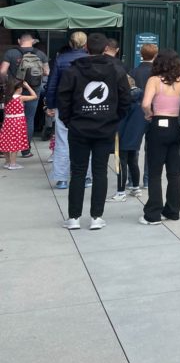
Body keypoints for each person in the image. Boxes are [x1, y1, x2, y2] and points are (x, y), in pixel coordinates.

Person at [57, 33, 131, 231]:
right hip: (105, 127)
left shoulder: (74, 70)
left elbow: (63, 98)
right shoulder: (116, 69)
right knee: (100, 172)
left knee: (78, 171)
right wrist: (114, 119)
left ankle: (74, 217)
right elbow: (125, 98)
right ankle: (96, 217)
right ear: (106, 47)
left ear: (86, 48)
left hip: (79, 127)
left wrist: (69, 121)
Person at [140, 49, 180, 225]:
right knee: (174, 172)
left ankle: (153, 213)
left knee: (154, 172)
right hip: (178, 126)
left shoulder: (154, 80)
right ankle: (173, 210)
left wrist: (149, 114)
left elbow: (145, 103)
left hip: (159, 124)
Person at [44, 31, 88, 190]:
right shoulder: (89, 60)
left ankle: (62, 178)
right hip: (85, 105)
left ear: (70, 43)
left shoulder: (60, 59)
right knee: (85, 141)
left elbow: (52, 85)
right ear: (85, 44)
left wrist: (50, 104)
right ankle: (86, 176)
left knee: (62, 142)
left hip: (63, 105)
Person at [113, 43, 157, 202]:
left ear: (141, 53)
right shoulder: (157, 73)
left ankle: (132, 181)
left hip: (134, 115)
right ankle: (146, 179)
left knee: (132, 151)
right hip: (153, 113)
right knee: (150, 149)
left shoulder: (134, 72)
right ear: (155, 55)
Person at [1, 32, 49, 158]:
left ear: (18, 41)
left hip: (14, 90)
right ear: (33, 41)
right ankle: (26, 150)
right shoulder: (40, 54)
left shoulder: (10, 53)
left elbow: (2, 71)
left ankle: (6, 148)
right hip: (33, 89)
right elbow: (47, 72)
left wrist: (7, 84)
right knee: (28, 118)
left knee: (10, 118)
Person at [0, 76, 36, 169]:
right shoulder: (20, 97)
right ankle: (13, 164)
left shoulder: (6, 98)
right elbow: (34, 96)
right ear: (19, 88)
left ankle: (7, 162)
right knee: (15, 143)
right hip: (17, 123)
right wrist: (27, 86)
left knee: (5, 142)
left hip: (7, 122)